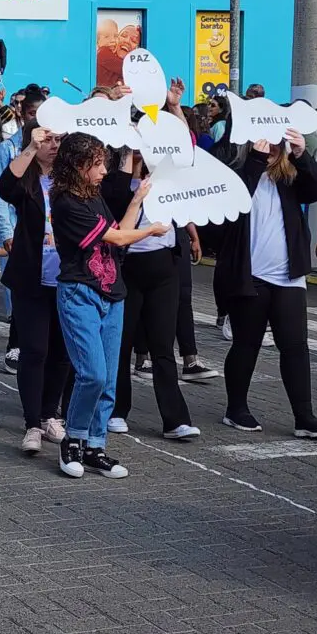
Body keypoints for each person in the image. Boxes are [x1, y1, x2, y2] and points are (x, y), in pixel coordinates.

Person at [50, 134, 170, 480]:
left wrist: (138, 200)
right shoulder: (65, 201)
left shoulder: (93, 196)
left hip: (112, 294)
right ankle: (73, 439)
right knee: (93, 373)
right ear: (78, 165)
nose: (104, 170)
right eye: (97, 164)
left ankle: (95, 446)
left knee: (109, 381)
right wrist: (150, 232)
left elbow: (119, 230)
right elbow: (117, 238)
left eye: (104, 162)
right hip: (80, 293)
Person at [216, 130, 317, 438]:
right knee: (246, 344)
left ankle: (304, 416)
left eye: (276, 142)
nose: (271, 147)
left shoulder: (291, 178)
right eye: (264, 140)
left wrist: (300, 152)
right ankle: (236, 409)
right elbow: (234, 201)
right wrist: (255, 159)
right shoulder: (238, 172)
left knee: (295, 346)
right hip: (250, 275)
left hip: (288, 276)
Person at [102, 149, 198, 441]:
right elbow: (115, 201)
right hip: (128, 268)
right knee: (122, 342)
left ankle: (175, 419)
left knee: (162, 346)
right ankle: (116, 410)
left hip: (164, 268)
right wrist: (131, 160)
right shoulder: (118, 183)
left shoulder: (169, 184)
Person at [0, 123, 73, 454]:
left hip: (67, 278)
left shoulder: (71, 180)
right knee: (34, 351)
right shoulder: (26, 180)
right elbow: (4, 187)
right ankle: (31, 424)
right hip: (30, 277)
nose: (53, 145)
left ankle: (47, 416)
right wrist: (29, 147)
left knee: (61, 352)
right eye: (47, 139)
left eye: (58, 139)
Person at [0, 91, 46, 375]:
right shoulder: (10, 148)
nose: (37, 121)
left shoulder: (54, 148)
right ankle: (15, 345)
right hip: (18, 229)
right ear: (23, 115)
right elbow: (1, 195)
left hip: (47, 236)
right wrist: (6, 233)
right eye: (32, 114)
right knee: (21, 289)